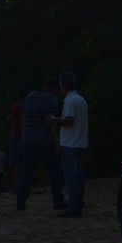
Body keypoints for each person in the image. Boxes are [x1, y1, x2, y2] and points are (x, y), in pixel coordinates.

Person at [15, 78, 67, 211]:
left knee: (26, 172)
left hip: (28, 140)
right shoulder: (51, 99)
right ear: (56, 88)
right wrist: (58, 142)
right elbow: (52, 123)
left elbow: (23, 118)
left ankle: (20, 201)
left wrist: (25, 135)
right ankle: (58, 201)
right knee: (54, 172)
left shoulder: (30, 96)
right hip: (45, 141)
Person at [51, 71, 88, 217]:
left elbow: (69, 120)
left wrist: (55, 120)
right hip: (81, 143)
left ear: (62, 85)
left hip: (70, 144)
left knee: (71, 178)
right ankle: (79, 203)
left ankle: (74, 207)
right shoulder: (81, 100)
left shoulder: (69, 101)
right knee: (79, 177)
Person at [7, 92, 25, 186]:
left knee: (15, 161)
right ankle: (24, 183)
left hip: (16, 134)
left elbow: (9, 118)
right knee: (24, 160)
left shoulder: (17, 106)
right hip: (26, 135)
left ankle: (17, 184)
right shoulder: (28, 106)